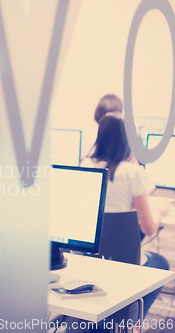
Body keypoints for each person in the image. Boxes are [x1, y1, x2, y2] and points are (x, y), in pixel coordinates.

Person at [81, 113, 170, 318]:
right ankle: (132, 321)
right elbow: (148, 228)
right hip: (123, 261)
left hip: (89, 257)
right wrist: (158, 209)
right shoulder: (131, 172)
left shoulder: (85, 165)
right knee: (161, 265)